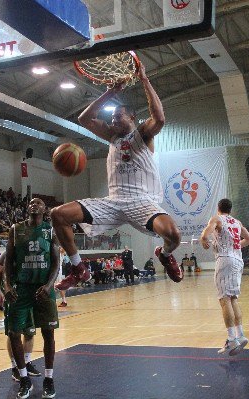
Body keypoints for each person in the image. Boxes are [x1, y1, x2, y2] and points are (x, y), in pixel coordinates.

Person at [51, 62, 183, 290]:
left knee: (173, 235)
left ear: (132, 116)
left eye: (118, 116)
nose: (113, 120)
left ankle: (164, 253)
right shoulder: (112, 137)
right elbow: (84, 119)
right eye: (111, 118)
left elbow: (159, 118)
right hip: (113, 202)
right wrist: (110, 92)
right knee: (58, 214)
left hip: (141, 201)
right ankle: (78, 268)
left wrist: (144, 79)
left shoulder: (142, 134)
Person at [4, 198, 60, 399]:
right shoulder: (15, 229)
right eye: (31, 203)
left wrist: (49, 285)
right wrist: (8, 286)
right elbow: (8, 261)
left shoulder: (50, 231)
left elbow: (56, 262)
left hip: (44, 289)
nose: (34, 204)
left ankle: (49, 379)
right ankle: (24, 378)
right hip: (22, 289)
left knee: (48, 334)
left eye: (38, 203)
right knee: (13, 332)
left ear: (45, 210)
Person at [200, 198, 249, 356]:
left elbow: (206, 232)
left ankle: (231, 338)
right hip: (238, 260)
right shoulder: (237, 222)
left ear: (218, 208)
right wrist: (234, 245)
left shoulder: (217, 219)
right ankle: (240, 335)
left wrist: (204, 239)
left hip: (225, 259)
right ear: (230, 209)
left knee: (224, 299)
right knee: (233, 298)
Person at [0, 251, 42, 381]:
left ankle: (27, 362)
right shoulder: (8, 253)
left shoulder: (31, 250)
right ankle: (15, 367)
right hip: (13, 297)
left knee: (30, 332)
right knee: (13, 333)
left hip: (29, 296)